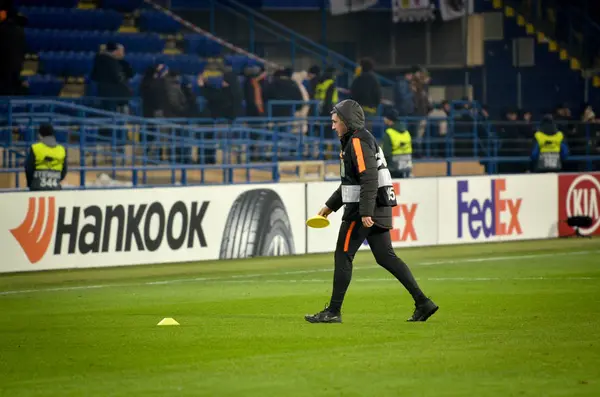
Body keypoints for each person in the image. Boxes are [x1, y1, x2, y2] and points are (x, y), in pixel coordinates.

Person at [304, 99, 438, 324]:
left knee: (343, 255)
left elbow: (368, 178)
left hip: (362, 210)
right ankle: (423, 302)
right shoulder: (358, 140)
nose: (333, 126)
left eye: (336, 122)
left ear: (347, 122)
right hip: (377, 206)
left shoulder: (357, 142)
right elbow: (352, 182)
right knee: (386, 257)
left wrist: (366, 212)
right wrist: (329, 207)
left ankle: (334, 311)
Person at [25, 124, 67, 191]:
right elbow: (64, 171)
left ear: (40, 135)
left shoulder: (35, 148)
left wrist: (31, 183)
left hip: (37, 188)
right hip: (55, 188)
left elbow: (28, 168)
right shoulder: (62, 149)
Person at [381, 107, 413, 178]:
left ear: (389, 119)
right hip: (407, 166)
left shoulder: (389, 133)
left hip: (393, 169)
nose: (384, 119)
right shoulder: (406, 132)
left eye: (385, 117)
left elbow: (386, 153)